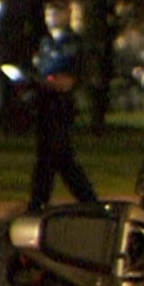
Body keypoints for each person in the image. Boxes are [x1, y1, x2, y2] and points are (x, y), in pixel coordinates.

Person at [26, 42, 97, 213]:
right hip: (51, 109)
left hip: (55, 109)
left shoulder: (65, 46)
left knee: (54, 161)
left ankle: (39, 203)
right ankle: (88, 201)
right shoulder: (51, 46)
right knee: (57, 162)